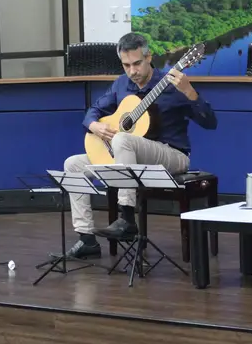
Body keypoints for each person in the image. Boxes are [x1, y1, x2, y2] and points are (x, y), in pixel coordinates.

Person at [62, 32, 217, 258]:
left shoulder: (172, 84)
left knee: (122, 139)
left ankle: (127, 218)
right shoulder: (121, 84)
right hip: (130, 157)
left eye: (137, 64)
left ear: (148, 57)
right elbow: (94, 111)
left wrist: (190, 92)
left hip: (172, 155)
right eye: (126, 65)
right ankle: (87, 240)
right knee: (73, 164)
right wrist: (94, 125)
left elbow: (210, 122)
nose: (132, 71)